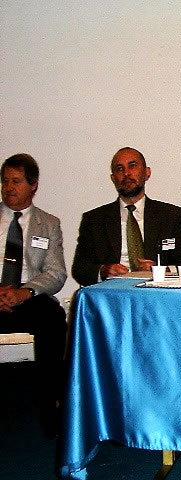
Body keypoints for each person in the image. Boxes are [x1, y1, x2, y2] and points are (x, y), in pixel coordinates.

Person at [0, 153, 67, 435]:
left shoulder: (48, 223)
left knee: (53, 319)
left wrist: (25, 292)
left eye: (16, 181)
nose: (8, 188)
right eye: (5, 181)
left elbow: (56, 273)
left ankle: (51, 407)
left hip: (29, 298)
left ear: (34, 185)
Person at [72, 147, 181, 286]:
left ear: (147, 173)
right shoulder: (94, 219)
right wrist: (103, 271)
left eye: (132, 166)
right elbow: (80, 269)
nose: (126, 173)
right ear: (113, 178)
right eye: (119, 169)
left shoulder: (170, 216)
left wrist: (161, 270)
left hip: (157, 291)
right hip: (112, 291)